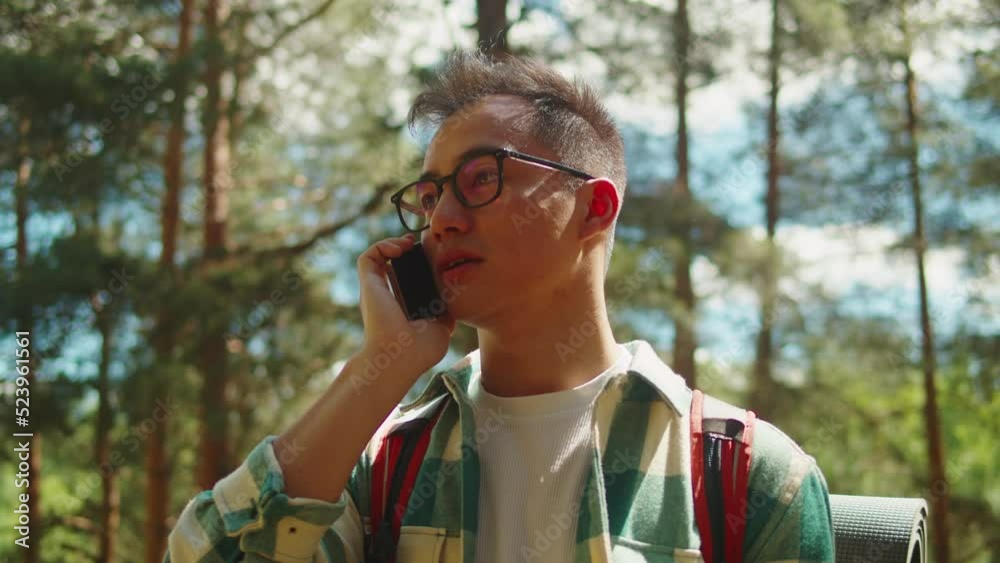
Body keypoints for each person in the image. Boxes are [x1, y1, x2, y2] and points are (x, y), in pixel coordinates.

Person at [166, 50, 835, 563]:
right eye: (428, 197)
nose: (442, 221)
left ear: (594, 209)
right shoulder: (379, 468)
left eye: (480, 179)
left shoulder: (748, 476)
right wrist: (385, 361)